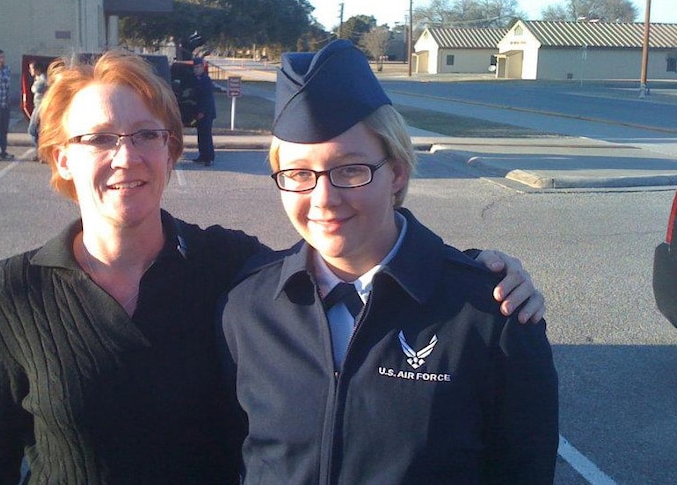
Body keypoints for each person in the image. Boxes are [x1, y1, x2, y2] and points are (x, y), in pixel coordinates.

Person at [0, 49, 545, 484]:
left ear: (169, 149)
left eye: (145, 135)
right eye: (99, 139)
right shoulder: (16, 292)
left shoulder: (229, 271)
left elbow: (355, 265)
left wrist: (477, 275)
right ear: (61, 156)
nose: (125, 156)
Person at [218, 40, 559, 484]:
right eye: (299, 174)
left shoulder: (490, 315)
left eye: (350, 170)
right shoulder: (248, 307)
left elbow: (523, 471)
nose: (323, 199)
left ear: (397, 171)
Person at [190, 57, 216, 166]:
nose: (195, 70)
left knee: (206, 135)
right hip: (200, 113)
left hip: (206, 113)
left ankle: (209, 157)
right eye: (194, 68)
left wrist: (202, 112)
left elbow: (206, 98)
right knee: (201, 135)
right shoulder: (197, 79)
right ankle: (202, 155)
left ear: (202, 67)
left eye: (197, 68)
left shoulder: (206, 80)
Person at [27, 60, 47, 162]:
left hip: (41, 106)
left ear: (38, 69)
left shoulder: (43, 79)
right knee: (38, 131)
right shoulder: (38, 78)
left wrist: (34, 85)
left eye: (32, 68)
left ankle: (42, 153)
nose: (30, 70)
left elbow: (36, 89)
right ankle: (40, 153)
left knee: (33, 130)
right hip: (38, 106)